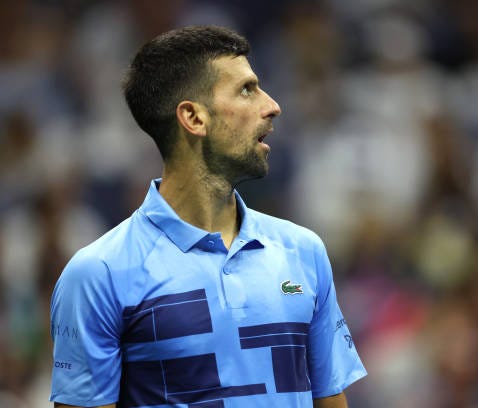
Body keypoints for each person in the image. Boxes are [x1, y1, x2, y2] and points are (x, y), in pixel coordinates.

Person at [49, 25, 366, 408]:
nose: (272, 105)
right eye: (246, 90)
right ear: (194, 118)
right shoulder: (99, 274)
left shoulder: (304, 251)